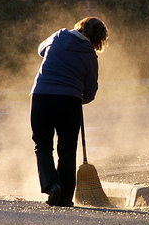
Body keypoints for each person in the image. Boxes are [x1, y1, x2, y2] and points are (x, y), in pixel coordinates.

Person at [30, 17, 108, 207]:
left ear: (80, 27)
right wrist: (80, 98)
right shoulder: (90, 55)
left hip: (41, 96)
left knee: (43, 145)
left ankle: (51, 185)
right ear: (97, 40)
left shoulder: (58, 36)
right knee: (67, 150)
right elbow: (90, 91)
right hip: (69, 101)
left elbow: (41, 49)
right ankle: (65, 197)